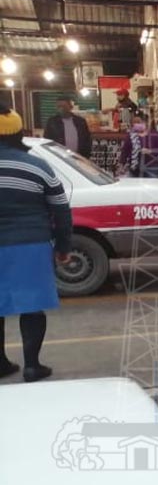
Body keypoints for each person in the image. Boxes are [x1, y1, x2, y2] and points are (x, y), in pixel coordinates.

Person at [0, 104, 71, 383]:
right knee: (31, 305)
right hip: (30, 244)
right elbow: (61, 209)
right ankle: (32, 366)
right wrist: (63, 247)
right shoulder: (37, 166)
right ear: (19, 132)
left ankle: (1, 363)